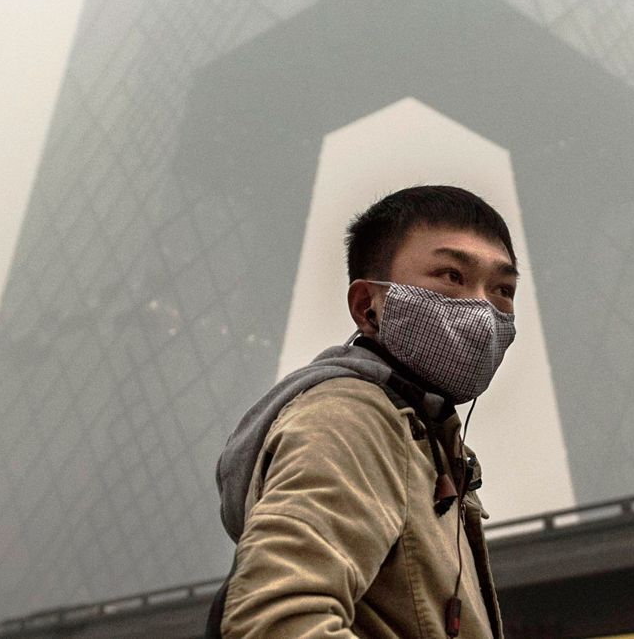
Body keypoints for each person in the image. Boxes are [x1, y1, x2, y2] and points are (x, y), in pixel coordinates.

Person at [210, 185, 520, 639]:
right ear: (367, 306)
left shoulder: (426, 441)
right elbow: (275, 620)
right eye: (452, 275)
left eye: (503, 289)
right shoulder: (350, 418)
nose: (482, 308)